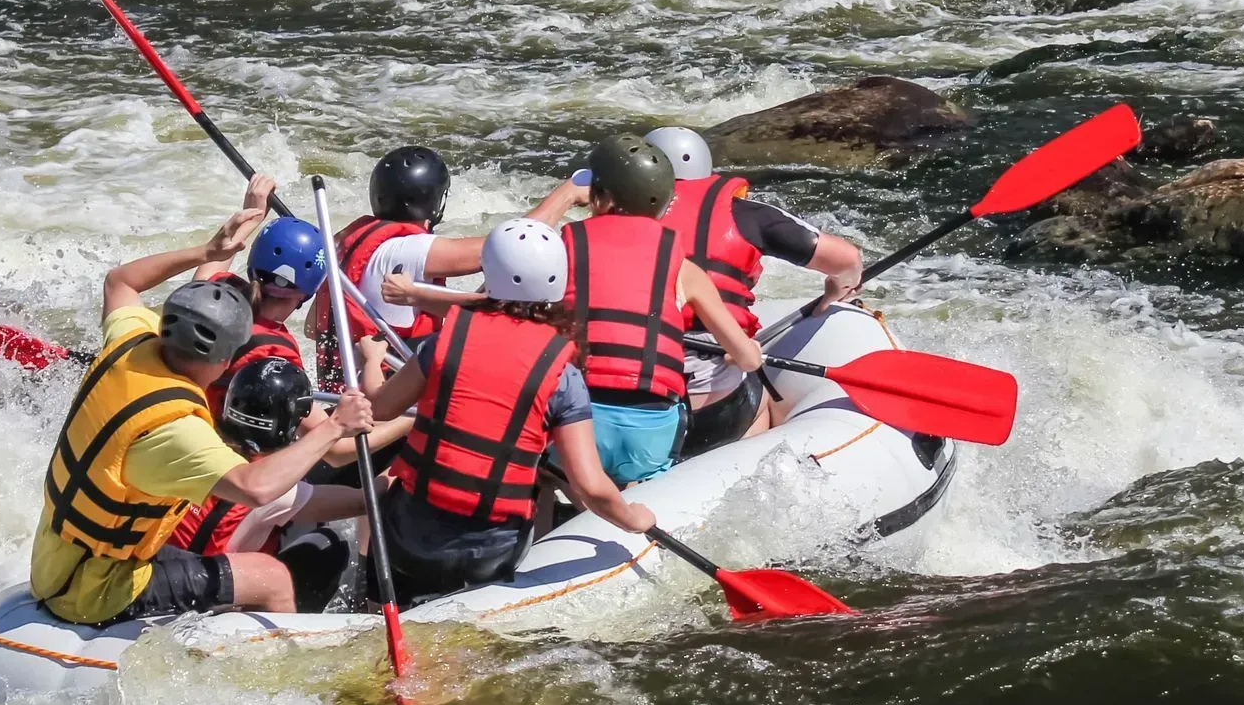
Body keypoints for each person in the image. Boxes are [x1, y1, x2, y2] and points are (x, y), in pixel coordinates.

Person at [30, 198, 374, 627]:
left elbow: (120, 282)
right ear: (222, 359)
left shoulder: (129, 343)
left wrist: (208, 253)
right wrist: (337, 425)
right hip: (98, 588)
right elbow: (256, 488)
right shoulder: (174, 430)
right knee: (273, 579)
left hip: (56, 559)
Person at [357, 219, 655, 601]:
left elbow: (380, 408)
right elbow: (590, 487)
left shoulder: (444, 342)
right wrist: (633, 520)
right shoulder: (563, 376)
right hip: (490, 552)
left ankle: (372, 605)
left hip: (409, 540)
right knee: (540, 480)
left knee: (390, 495)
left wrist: (370, 361)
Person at [646, 126, 865, 453]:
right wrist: (834, 291)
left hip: (618, 398)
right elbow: (848, 260)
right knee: (762, 396)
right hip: (710, 407)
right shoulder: (747, 216)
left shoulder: (604, 225)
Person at [561, 134, 764, 486]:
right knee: (759, 401)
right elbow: (747, 360)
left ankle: (556, 513)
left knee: (549, 474)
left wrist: (563, 194)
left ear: (599, 197)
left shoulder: (566, 247)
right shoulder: (684, 267)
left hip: (577, 429)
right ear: (664, 204)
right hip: (651, 438)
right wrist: (749, 354)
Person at [308, 145, 585, 388]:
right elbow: (513, 245)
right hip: (386, 408)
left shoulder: (348, 243)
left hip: (346, 394)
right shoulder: (408, 249)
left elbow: (312, 327)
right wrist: (568, 193)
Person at [170, 356, 367, 612]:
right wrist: (399, 468)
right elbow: (362, 502)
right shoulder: (275, 489)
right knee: (329, 544)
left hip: (173, 573)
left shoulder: (196, 445)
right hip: (211, 603)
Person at [192, 176, 326, 409]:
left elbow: (208, 269)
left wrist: (251, 214)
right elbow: (330, 440)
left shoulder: (215, 294)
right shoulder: (277, 355)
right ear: (308, 291)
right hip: (225, 439)